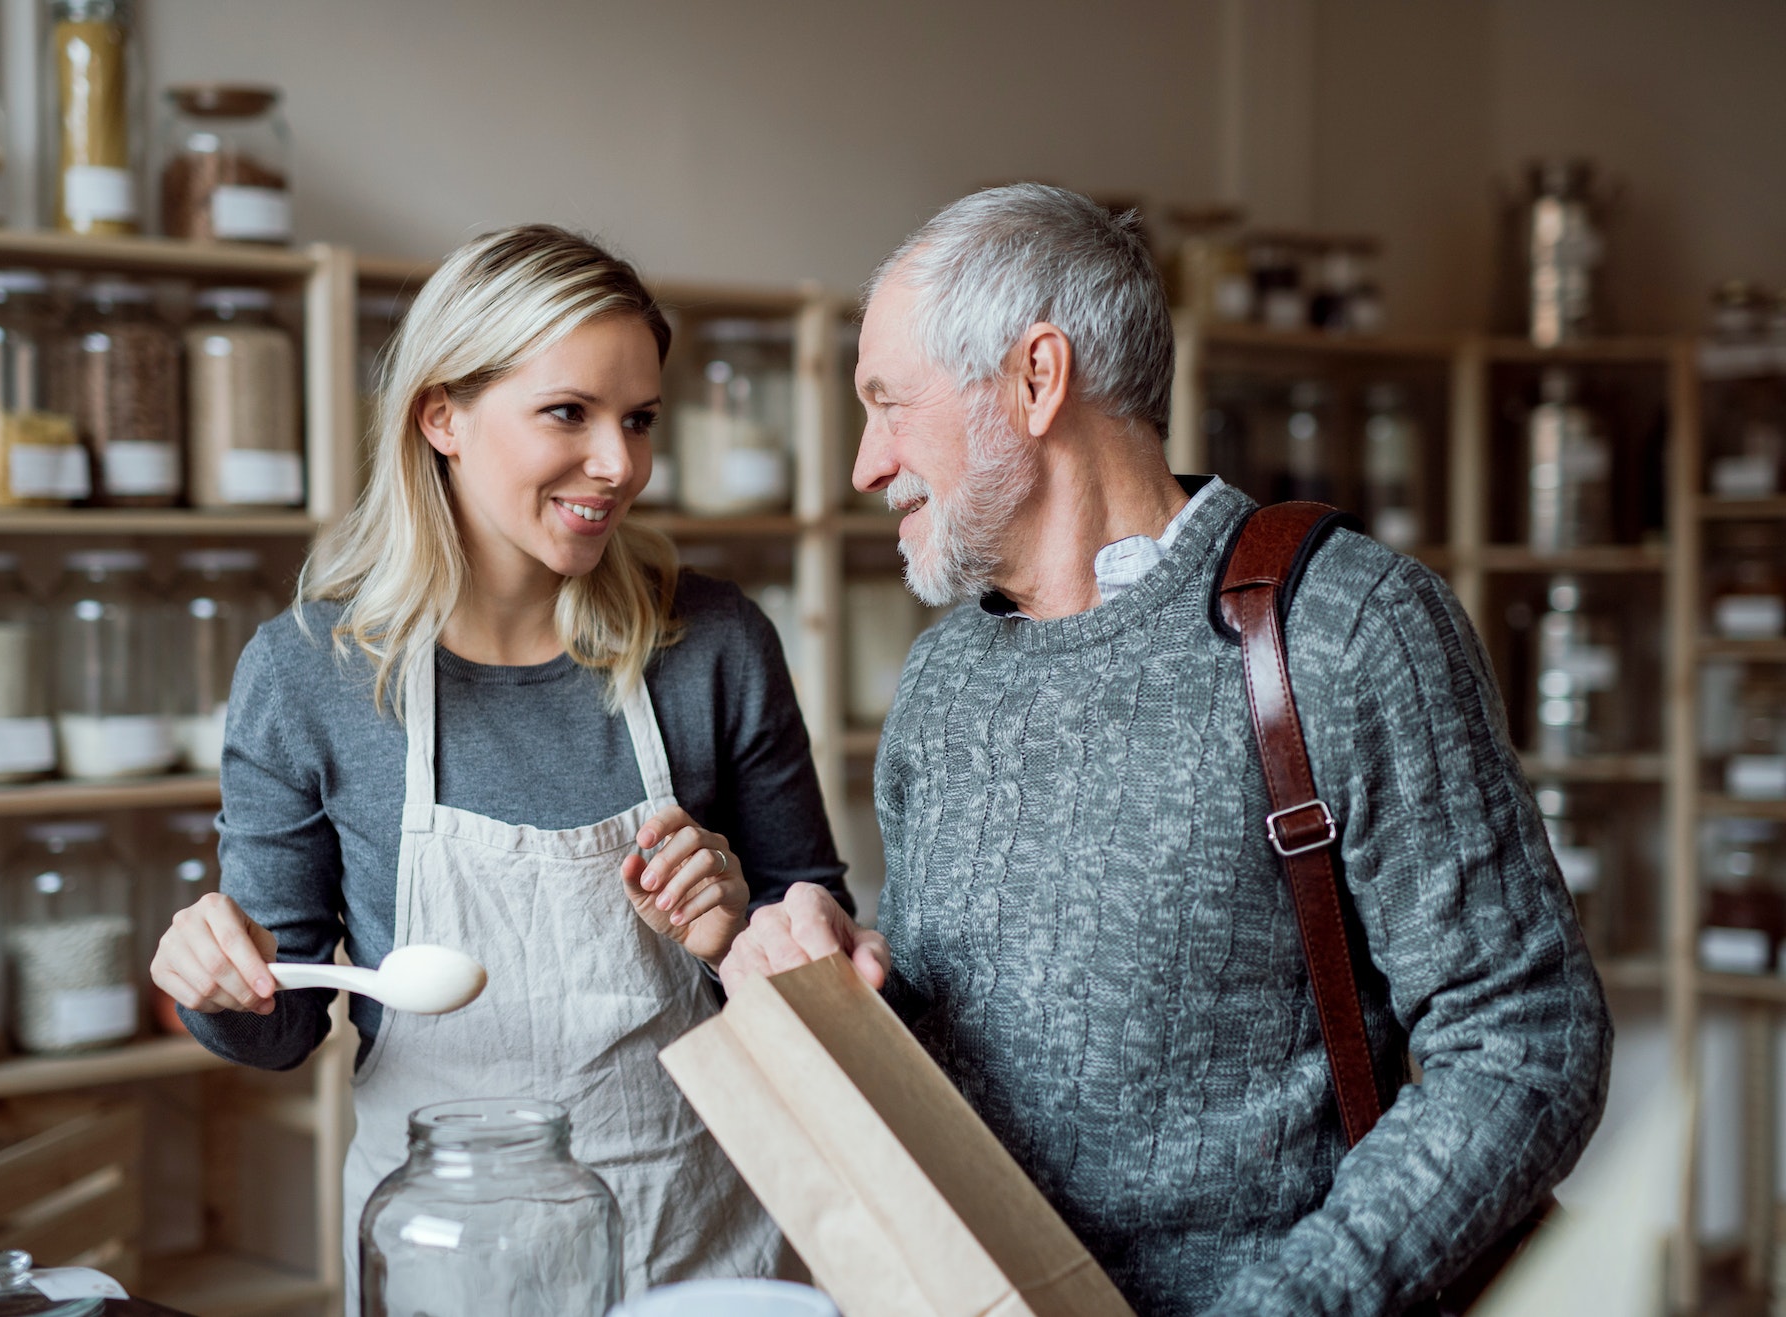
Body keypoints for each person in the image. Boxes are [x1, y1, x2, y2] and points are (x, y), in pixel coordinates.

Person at [718, 185, 1613, 1317]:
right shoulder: (944, 683)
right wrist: (835, 974)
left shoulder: (1343, 629)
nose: (864, 463)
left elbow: (1525, 1044)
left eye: (887, 403)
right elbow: (970, 1032)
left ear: (1035, 379)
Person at [150, 224, 848, 1306]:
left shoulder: (712, 644)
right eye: (567, 413)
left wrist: (740, 928)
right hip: (440, 1249)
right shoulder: (309, 675)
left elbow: (820, 956)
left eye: (638, 420)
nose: (618, 465)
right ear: (443, 417)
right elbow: (281, 1024)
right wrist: (216, 973)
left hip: (693, 1245)